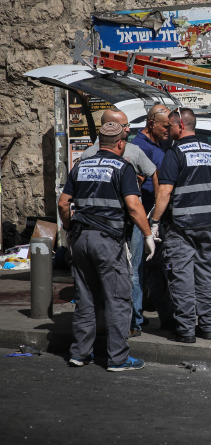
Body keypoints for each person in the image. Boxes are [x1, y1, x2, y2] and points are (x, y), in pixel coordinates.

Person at [58, 120, 155, 371]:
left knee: (86, 297)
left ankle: (79, 354)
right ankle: (118, 358)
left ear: (100, 142)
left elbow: (63, 204)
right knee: (117, 298)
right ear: (120, 143)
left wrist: (69, 229)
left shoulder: (80, 166)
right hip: (107, 241)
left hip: (80, 240)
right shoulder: (123, 168)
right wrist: (147, 235)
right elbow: (134, 206)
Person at [152, 108, 211, 343]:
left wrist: (154, 222)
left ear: (181, 126)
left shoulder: (175, 154)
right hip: (207, 224)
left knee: (182, 276)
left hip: (181, 225)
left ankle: (185, 330)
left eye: (171, 126)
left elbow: (165, 191)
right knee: (204, 274)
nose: (168, 131)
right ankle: (208, 327)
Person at [81, 108, 156, 338]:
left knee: (102, 274)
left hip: (97, 225)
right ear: (109, 126)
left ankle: (110, 322)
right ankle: (132, 322)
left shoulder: (87, 156)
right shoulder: (129, 152)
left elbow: (70, 198)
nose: (128, 129)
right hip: (122, 223)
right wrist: (148, 229)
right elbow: (152, 179)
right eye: (124, 126)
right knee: (130, 273)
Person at [132, 104, 176, 332]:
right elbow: (136, 183)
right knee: (140, 269)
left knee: (155, 268)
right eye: (165, 126)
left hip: (155, 216)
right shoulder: (139, 146)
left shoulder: (158, 144)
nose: (169, 129)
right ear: (151, 124)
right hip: (144, 218)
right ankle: (135, 319)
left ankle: (160, 316)